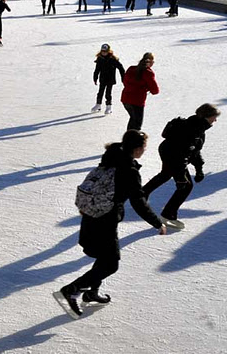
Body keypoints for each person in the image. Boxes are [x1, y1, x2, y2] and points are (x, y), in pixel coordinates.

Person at [54, 130, 166, 319]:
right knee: (111, 264)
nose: (144, 150)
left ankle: (91, 293)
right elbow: (138, 202)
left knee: (103, 258)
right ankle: (72, 289)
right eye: (144, 147)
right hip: (105, 219)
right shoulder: (128, 170)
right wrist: (157, 223)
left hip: (91, 212)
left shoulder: (111, 156)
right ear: (138, 149)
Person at [142, 104, 220, 229]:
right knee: (185, 186)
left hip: (171, 153)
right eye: (214, 117)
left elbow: (194, 151)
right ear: (206, 116)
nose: (215, 120)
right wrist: (180, 176)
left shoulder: (199, 128)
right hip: (171, 155)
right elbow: (179, 153)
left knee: (166, 174)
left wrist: (199, 169)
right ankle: (168, 215)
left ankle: (142, 193)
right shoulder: (191, 128)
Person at [120, 52, 159, 131]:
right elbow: (155, 90)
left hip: (125, 99)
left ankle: (127, 139)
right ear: (150, 61)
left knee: (132, 120)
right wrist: (146, 88)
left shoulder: (131, 68)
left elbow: (125, 82)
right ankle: (133, 141)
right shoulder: (148, 72)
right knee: (137, 124)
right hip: (137, 101)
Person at [92, 44, 125, 114]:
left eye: (105, 51)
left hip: (110, 79)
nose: (104, 53)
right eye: (102, 51)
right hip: (102, 79)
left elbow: (121, 68)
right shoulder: (100, 59)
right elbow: (97, 69)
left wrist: (123, 77)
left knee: (108, 93)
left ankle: (108, 106)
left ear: (108, 51)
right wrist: (95, 77)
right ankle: (98, 104)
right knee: (100, 92)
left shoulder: (113, 59)